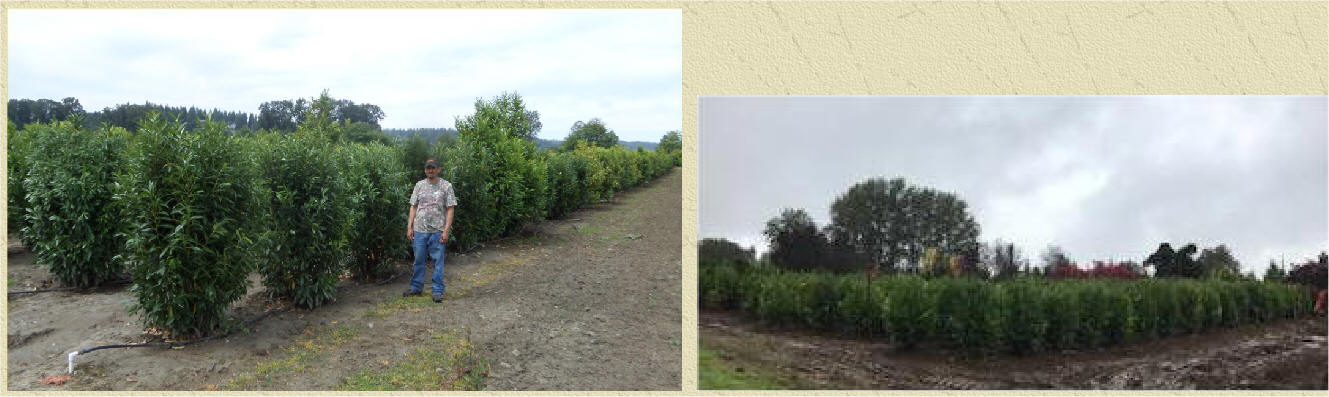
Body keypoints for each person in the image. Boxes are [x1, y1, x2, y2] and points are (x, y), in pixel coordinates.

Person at [405, 158, 457, 303]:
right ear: (425, 170)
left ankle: (437, 291)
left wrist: (446, 230)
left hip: (438, 231)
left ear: (438, 169)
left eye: (433, 168)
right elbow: (413, 206)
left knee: (438, 262)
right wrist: (410, 227)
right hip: (419, 231)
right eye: (428, 168)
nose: (430, 170)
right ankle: (416, 288)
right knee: (418, 260)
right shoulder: (419, 185)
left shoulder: (446, 186)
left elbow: (450, 208)